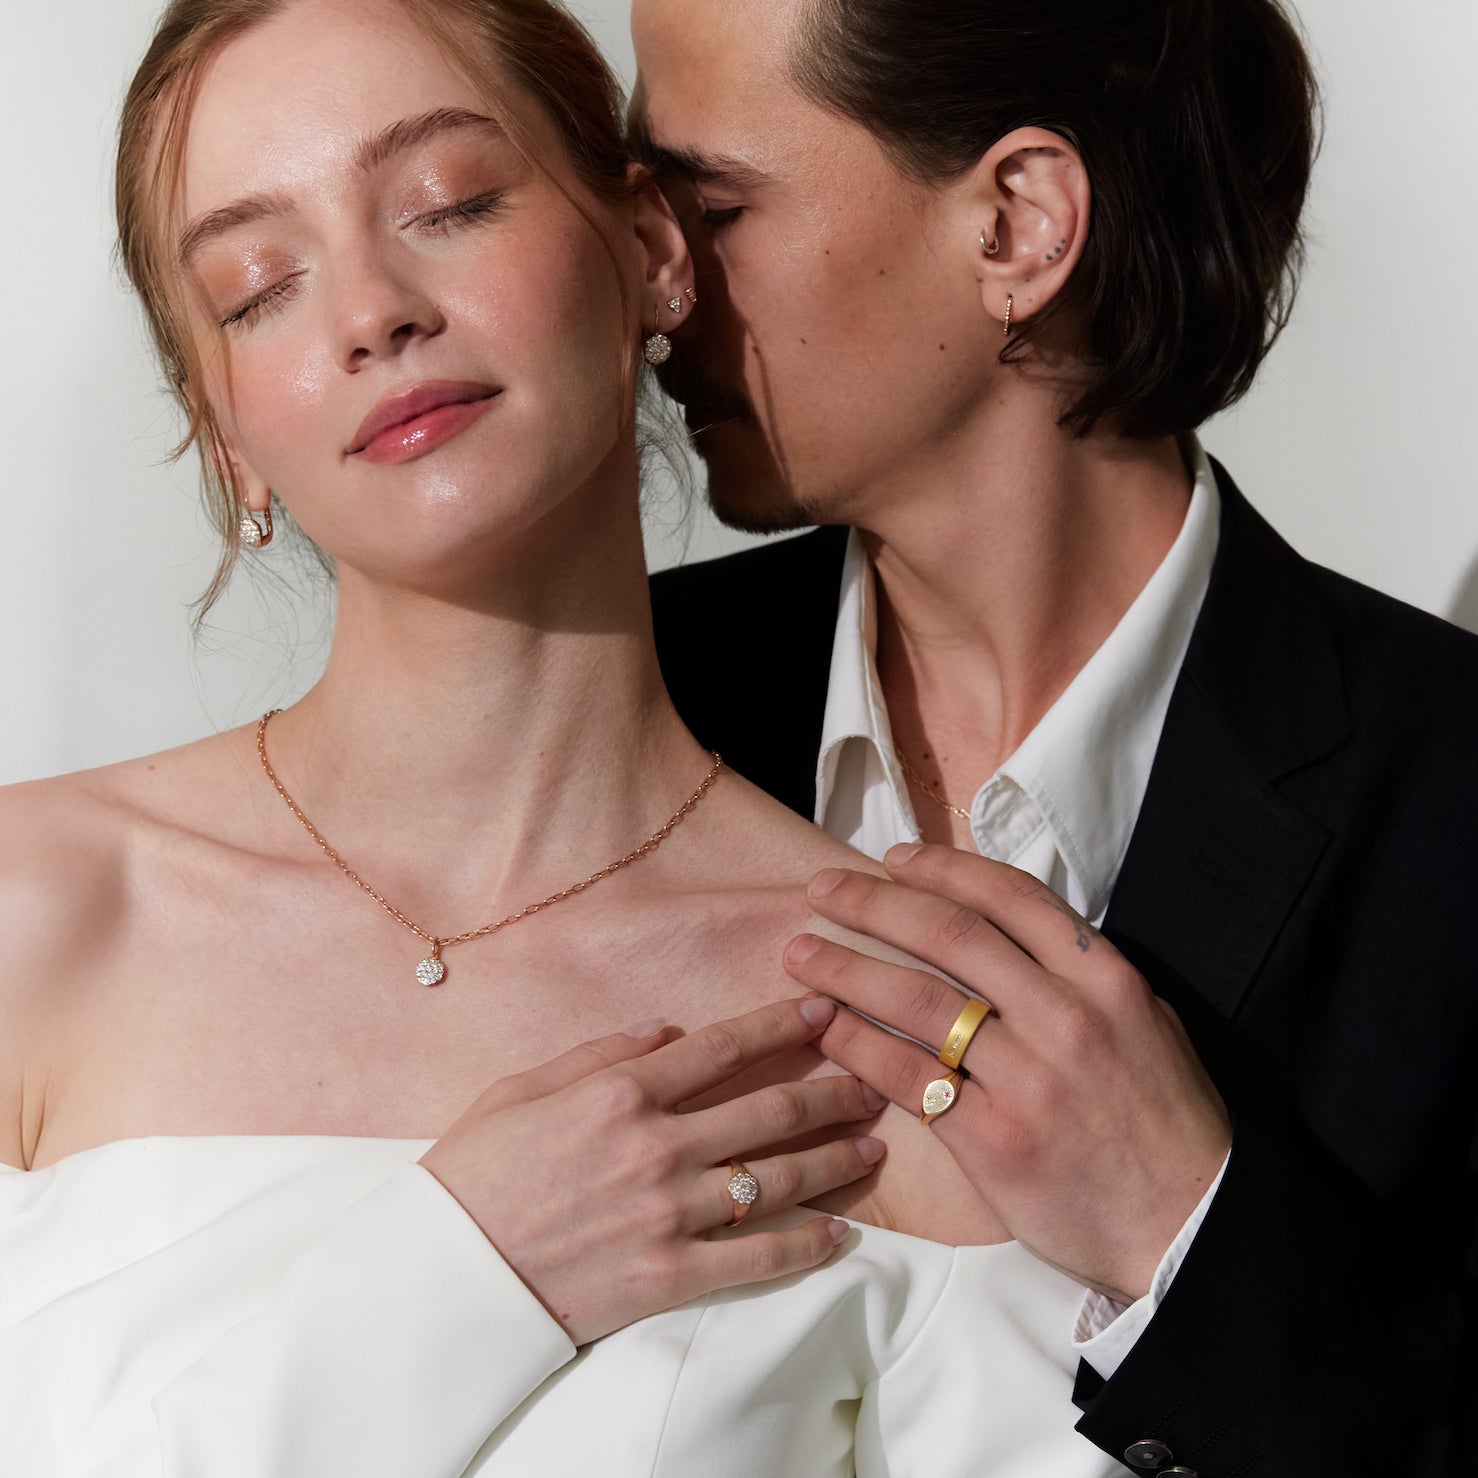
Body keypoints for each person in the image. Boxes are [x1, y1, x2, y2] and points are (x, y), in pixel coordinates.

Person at [0, 1, 1130, 1474]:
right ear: (224, 431)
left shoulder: (881, 1025)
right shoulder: (35, 914)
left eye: (450, 205)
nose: (371, 309)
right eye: (259, 285)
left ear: (650, 253)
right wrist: (461, 1274)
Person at [633, 0, 1478, 1472]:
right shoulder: (619, 703)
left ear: (1018, 225)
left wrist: (1190, 1226)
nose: (656, 293)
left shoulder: (1453, 797)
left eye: (714, 209)